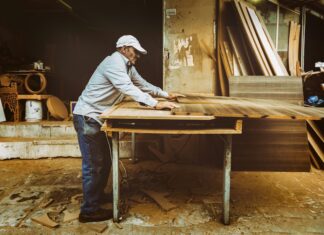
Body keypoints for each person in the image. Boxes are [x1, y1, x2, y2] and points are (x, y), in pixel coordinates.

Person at [73, 35, 178, 223]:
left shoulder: (128, 66)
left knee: (105, 162)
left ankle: (96, 197)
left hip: (98, 116)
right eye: (135, 51)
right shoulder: (113, 63)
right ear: (124, 49)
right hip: (88, 116)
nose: (137, 55)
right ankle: (88, 211)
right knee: (94, 166)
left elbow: (142, 84)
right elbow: (128, 87)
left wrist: (165, 95)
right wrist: (155, 104)